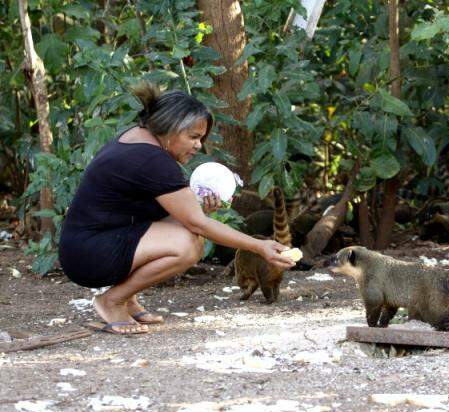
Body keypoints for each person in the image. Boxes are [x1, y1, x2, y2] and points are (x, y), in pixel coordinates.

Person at [58, 82, 295, 335]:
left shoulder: (138, 139)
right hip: (88, 255)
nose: (198, 146)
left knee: (188, 232)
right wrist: (259, 246)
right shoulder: (153, 159)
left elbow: (171, 213)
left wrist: (199, 209)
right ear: (169, 128)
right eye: (193, 137)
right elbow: (196, 224)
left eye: (201, 139)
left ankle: (128, 299)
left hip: (89, 243)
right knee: (188, 245)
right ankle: (112, 301)